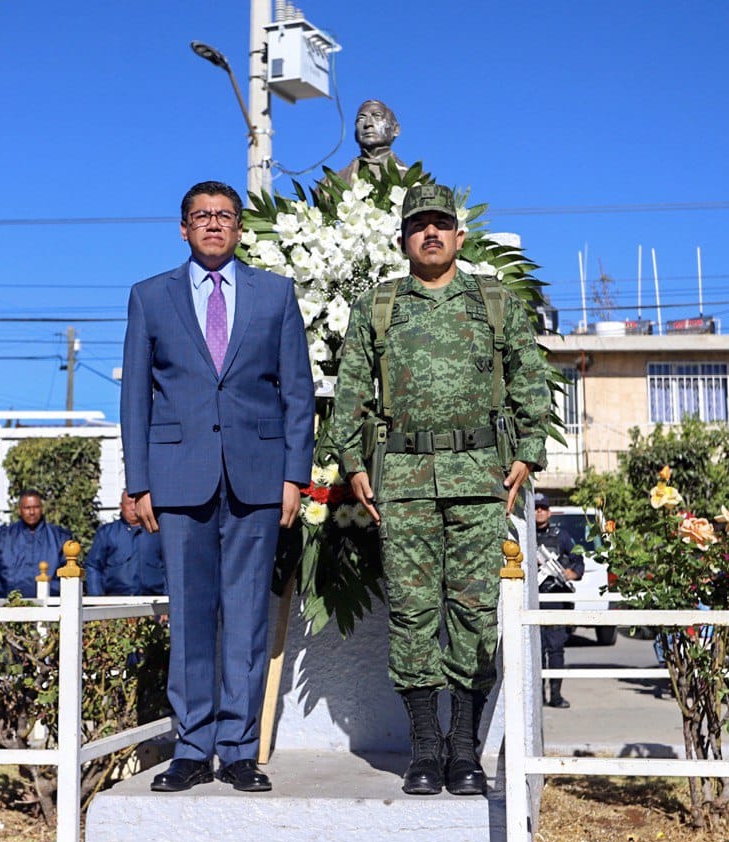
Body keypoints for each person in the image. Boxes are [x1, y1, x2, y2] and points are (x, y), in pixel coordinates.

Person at [333, 183, 552, 796]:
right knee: (411, 613)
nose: (430, 234)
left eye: (441, 224)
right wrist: (354, 465)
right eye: (418, 226)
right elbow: (351, 393)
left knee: (477, 615)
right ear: (404, 240)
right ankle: (425, 749)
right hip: (403, 482)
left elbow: (530, 384)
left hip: (481, 479)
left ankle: (465, 750)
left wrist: (529, 455)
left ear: (459, 236)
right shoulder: (379, 307)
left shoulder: (493, 302)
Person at [122, 179, 314, 793]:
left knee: (249, 617)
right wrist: (139, 480)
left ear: (239, 228)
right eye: (201, 216)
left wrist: (295, 476)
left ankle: (237, 749)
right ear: (183, 228)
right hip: (178, 481)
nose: (212, 225)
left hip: (258, 480)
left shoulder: (276, 295)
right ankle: (191, 745)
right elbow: (134, 400)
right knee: (191, 616)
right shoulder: (149, 297)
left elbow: (298, 391)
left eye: (224, 216)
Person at [532, 492, 583, 709]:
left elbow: (577, 560)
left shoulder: (560, 536)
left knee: (555, 649)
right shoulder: (526, 537)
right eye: (536, 508)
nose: (539, 511)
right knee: (536, 650)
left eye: (543, 508)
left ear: (549, 512)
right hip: (535, 599)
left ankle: (555, 694)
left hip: (555, 599)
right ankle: (537, 696)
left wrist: (570, 573)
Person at [0, 490, 71, 599]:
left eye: (36, 507)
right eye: (27, 508)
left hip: (50, 607)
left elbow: (68, 577)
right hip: (11, 607)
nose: (32, 512)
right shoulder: (2, 538)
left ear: (42, 508)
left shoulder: (60, 538)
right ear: (20, 510)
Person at [84, 491, 165, 596]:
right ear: (121, 506)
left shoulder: (157, 532)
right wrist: (97, 600)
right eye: (129, 503)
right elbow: (93, 567)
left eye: (136, 503)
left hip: (154, 602)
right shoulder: (107, 533)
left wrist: (167, 602)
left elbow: (169, 567)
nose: (133, 507)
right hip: (116, 602)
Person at [336, 99, 408, 185]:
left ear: (395, 130)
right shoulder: (331, 183)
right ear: (355, 133)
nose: (368, 124)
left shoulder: (416, 179)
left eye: (377, 116)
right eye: (361, 119)